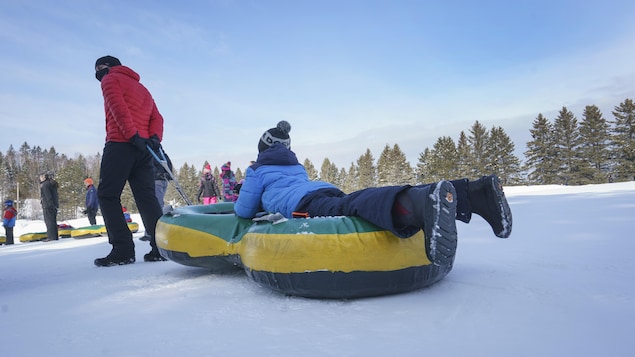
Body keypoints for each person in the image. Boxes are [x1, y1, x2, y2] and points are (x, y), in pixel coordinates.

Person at [234, 121, 512, 247]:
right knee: (353, 200)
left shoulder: (256, 170)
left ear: (261, 149)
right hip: (321, 189)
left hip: (303, 205)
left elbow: (244, 210)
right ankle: (474, 193)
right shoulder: (296, 166)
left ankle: (421, 203)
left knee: (353, 206)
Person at [93, 55, 166, 266]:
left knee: (107, 195)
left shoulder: (110, 79)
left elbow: (118, 107)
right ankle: (160, 247)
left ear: (110, 67)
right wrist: (153, 138)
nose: (98, 72)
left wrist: (131, 134)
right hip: (143, 149)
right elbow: (157, 117)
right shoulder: (141, 87)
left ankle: (123, 250)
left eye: (99, 68)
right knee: (146, 197)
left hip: (120, 142)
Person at [141, 148, 174, 241]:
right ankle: (153, 230)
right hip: (161, 180)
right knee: (157, 204)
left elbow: (149, 165)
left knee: (154, 205)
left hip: (157, 180)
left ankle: (152, 231)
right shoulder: (162, 153)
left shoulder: (152, 152)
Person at [39, 172, 59, 241]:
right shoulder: (51, 184)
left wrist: (49, 205)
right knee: (53, 221)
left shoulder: (45, 185)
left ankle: (51, 236)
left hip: (48, 206)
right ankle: (54, 236)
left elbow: (48, 196)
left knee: (49, 221)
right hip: (54, 205)